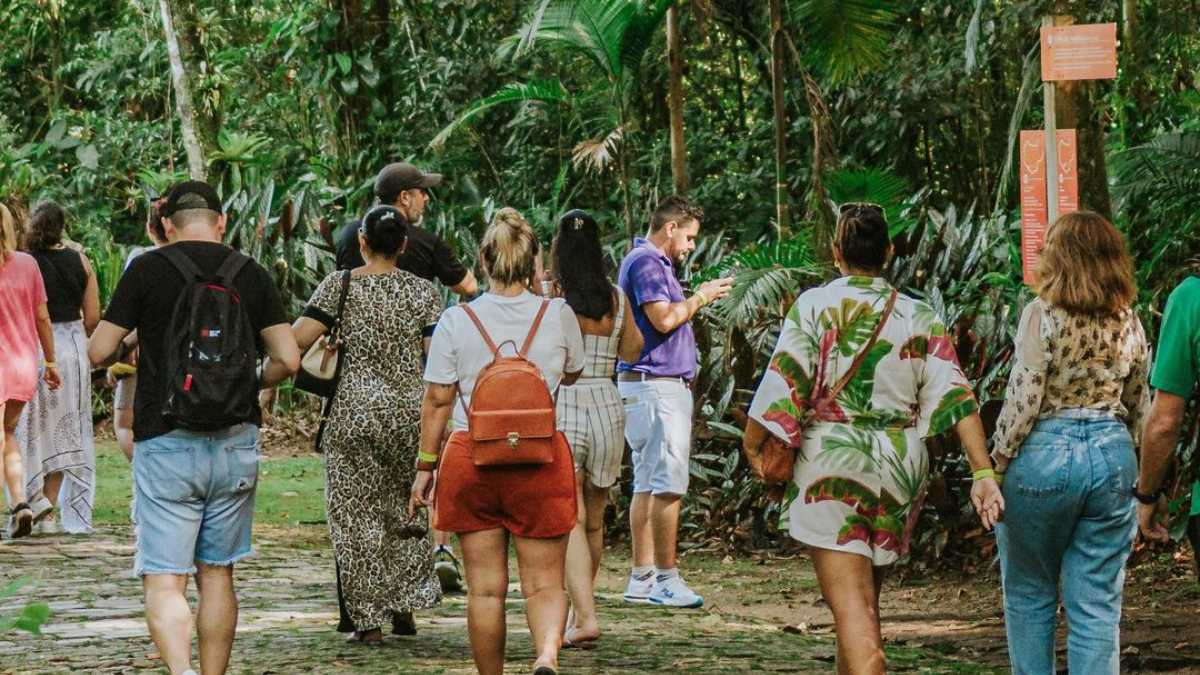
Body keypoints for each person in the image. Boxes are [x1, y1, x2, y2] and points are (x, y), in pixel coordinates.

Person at [743, 204, 1001, 674]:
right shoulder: (919, 315)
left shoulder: (816, 306)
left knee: (855, 616)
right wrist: (982, 471)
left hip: (834, 459)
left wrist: (752, 444)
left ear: (836, 251)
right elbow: (958, 399)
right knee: (861, 607)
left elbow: (783, 384)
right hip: (900, 464)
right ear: (888, 251)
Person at [88, 181, 300, 675]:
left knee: (165, 578)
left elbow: (99, 350)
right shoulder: (250, 273)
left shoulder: (147, 270)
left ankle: (181, 672)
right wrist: (251, 381)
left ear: (167, 225)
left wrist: (132, 342)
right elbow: (288, 358)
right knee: (218, 574)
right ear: (221, 221)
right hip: (234, 443)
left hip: (165, 441)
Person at [410, 207, 584, 675]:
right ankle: (546, 655)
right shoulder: (558, 314)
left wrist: (426, 467)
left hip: (473, 459)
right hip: (541, 459)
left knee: (485, 589)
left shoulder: (456, 320)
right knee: (546, 584)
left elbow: (438, 400)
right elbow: (572, 373)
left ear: (483, 259)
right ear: (533, 265)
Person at [276, 206, 443, 644]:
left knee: (355, 518)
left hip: (353, 415)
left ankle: (367, 621)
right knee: (405, 508)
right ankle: (405, 606)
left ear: (363, 243)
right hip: (410, 415)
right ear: (404, 245)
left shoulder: (340, 284)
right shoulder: (424, 292)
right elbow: (435, 355)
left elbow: (296, 340)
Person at [991, 211, 1149, 674]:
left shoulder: (1041, 315)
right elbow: (1140, 400)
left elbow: (1024, 399)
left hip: (1044, 452)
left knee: (1029, 591)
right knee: (1097, 602)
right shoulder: (1129, 320)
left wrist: (996, 464)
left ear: (1060, 258)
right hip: (1112, 452)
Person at [334, 161, 474, 592]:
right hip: (413, 378)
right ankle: (426, 564)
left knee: (358, 492)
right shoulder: (426, 248)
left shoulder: (345, 238)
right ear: (404, 199)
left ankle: (362, 588)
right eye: (421, 192)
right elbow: (468, 288)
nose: (426, 199)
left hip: (352, 382)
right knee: (416, 475)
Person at [616, 195, 733, 609]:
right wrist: (700, 297)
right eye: (689, 237)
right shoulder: (647, 262)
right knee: (667, 483)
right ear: (670, 229)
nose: (690, 246)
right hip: (656, 386)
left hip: (650, 387)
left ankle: (642, 575)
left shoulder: (647, 261)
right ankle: (666, 577)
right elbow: (664, 318)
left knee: (648, 482)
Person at [548, 209, 643, 646]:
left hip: (566, 401)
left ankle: (580, 615)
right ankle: (582, 613)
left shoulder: (554, 299)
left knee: (569, 516)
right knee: (595, 520)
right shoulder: (617, 298)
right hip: (607, 401)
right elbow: (634, 348)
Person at [14, 202, 101, 535]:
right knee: (67, 429)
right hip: (72, 349)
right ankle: (49, 508)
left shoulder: (25, 262)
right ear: (62, 227)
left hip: (33, 347)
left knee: (31, 429)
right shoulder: (81, 261)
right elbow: (92, 317)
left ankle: (31, 501)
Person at [0, 202, 61, 539]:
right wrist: (50, 362)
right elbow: (41, 318)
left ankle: (22, 502)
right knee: (7, 433)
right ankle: (21, 502)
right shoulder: (27, 264)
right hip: (23, 362)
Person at [110, 199, 169, 462]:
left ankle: (145, 471)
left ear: (149, 228)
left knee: (124, 423)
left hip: (139, 351)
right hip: (180, 357)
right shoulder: (195, 260)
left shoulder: (140, 259)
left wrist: (121, 351)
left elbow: (127, 310)